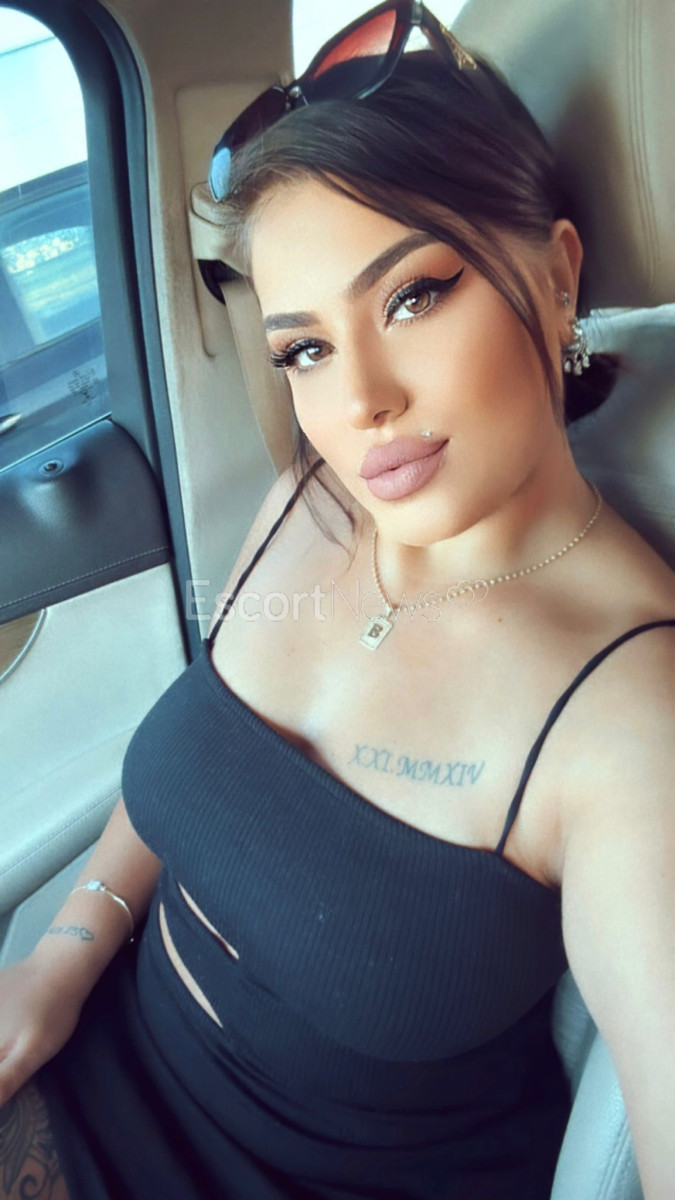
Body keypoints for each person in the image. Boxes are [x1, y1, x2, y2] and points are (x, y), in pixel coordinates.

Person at [1, 3, 674, 1198]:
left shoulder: (632, 719)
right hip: (97, 1053)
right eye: (304, 348)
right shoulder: (303, 509)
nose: (359, 401)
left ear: (558, 273)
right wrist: (59, 960)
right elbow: (191, 768)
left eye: (412, 297)